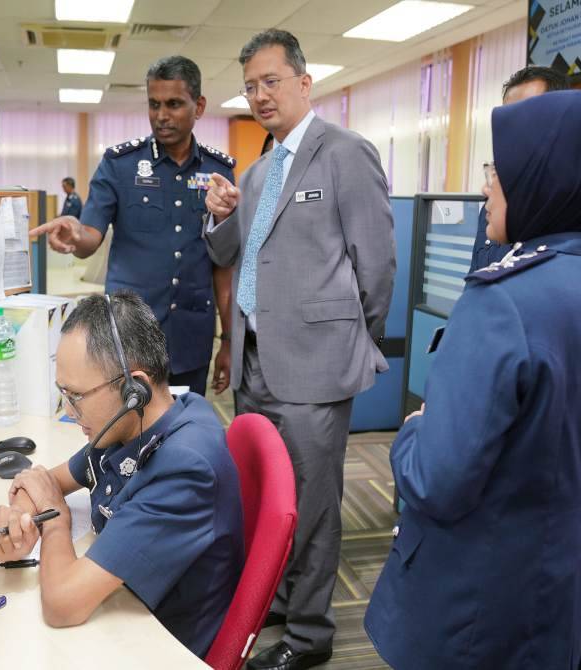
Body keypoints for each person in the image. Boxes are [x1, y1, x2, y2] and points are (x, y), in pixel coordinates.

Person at [364, 90, 581, 669]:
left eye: (500, 169)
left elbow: (435, 482)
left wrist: (413, 432)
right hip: (557, 578)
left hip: (472, 591)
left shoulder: (502, 302)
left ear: (549, 179)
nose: (487, 186)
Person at [205, 29, 395, 670]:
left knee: (312, 505)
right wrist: (219, 213)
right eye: (251, 85)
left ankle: (311, 634)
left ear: (304, 83)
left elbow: (377, 261)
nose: (260, 95)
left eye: (271, 81)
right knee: (269, 496)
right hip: (258, 361)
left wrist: (354, 336)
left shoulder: (344, 153)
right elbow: (230, 253)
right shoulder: (259, 170)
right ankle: (281, 600)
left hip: (315, 363)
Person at [0, 291, 244, 659]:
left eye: (76, 396)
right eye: (63, 394)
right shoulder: (132, 423)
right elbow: (42, 480)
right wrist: (18, 521)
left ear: (135, 388)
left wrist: (54, 518)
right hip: (124, 608)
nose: (69, 411)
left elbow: (62, 605)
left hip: (158, 643)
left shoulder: (184, 470)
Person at [30, 56, 235, 397]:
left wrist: (227, 340)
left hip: (191, 337)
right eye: (154, 104)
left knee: (186, 434)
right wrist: (74, 233)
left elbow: (222, 265)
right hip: (130, 336)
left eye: (173, 104)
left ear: (198, 106)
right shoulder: (120, 165)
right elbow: (89, 237)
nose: (161, 115)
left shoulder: (218, 172)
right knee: (128, 437)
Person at [469, 66, 570, 273]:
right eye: (507, 119)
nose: (514, 128)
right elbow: (477, 278)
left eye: (528, 116)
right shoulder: (494, 204)